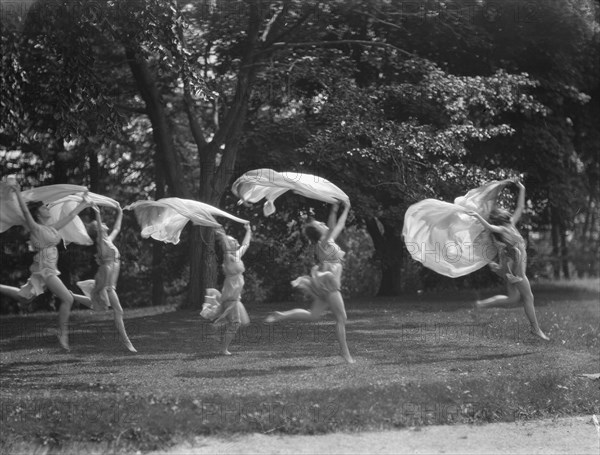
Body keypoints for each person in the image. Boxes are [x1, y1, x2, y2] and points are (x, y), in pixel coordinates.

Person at [0, 182, 91, 351]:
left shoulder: (50, 228)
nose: (48, 208)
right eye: (44, 207)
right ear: (38, 213)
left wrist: (83, 204)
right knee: (68, 299)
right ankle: (62, 334)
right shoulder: (36, 229)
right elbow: (26, 212)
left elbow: (69, 217)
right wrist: (18, 193)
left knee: (24, 297)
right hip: (45, 269)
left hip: (45, 269)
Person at [266, 201, 355, 364]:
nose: (322, 223)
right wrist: (337, 210)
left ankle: (283, 315)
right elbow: (333, 225)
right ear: (319, 231)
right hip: (329, 283)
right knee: (341, 318)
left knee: (313, 315)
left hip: (324, 283)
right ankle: (345, 353)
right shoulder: (324, 241)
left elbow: (337, 224)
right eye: (319, 224)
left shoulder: (326, 242)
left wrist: (340, 209)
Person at [467, 179, 550, 341]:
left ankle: (481, 305)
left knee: (513, 298)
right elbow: (491, 228)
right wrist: (478, 216)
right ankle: (536, 329)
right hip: (515, 266)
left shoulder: (511, 224)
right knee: (528, 297)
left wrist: (522, 189)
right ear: (502, 217)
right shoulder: (503, 228)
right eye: (505, 211)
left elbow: (520, 207)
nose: (508, 211)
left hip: (511, 265)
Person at [74, 201, 137, 352]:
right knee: (116, 310)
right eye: (100, 225)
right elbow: (101, 230)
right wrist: (97, 213)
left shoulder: (108, 240)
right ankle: (126, 341)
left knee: (101, 305)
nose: (104, 225)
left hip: (109, 282)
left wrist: (120, 212)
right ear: (99, 230)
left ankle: (71, 295)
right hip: (107, 282)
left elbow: (117, 228)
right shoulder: (101, 243)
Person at [208, 223, 252, 355]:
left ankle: (218, 337)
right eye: (232, 240)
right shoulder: (228, 257)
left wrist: (249, 230)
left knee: (232, 322)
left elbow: (246, 244)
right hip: (230, 296)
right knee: (235, 323)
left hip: (235, 296)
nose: (235, 241)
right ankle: (223, 349)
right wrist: (223, 237)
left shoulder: (237, 255)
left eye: (234, 240)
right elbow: (226, 249)